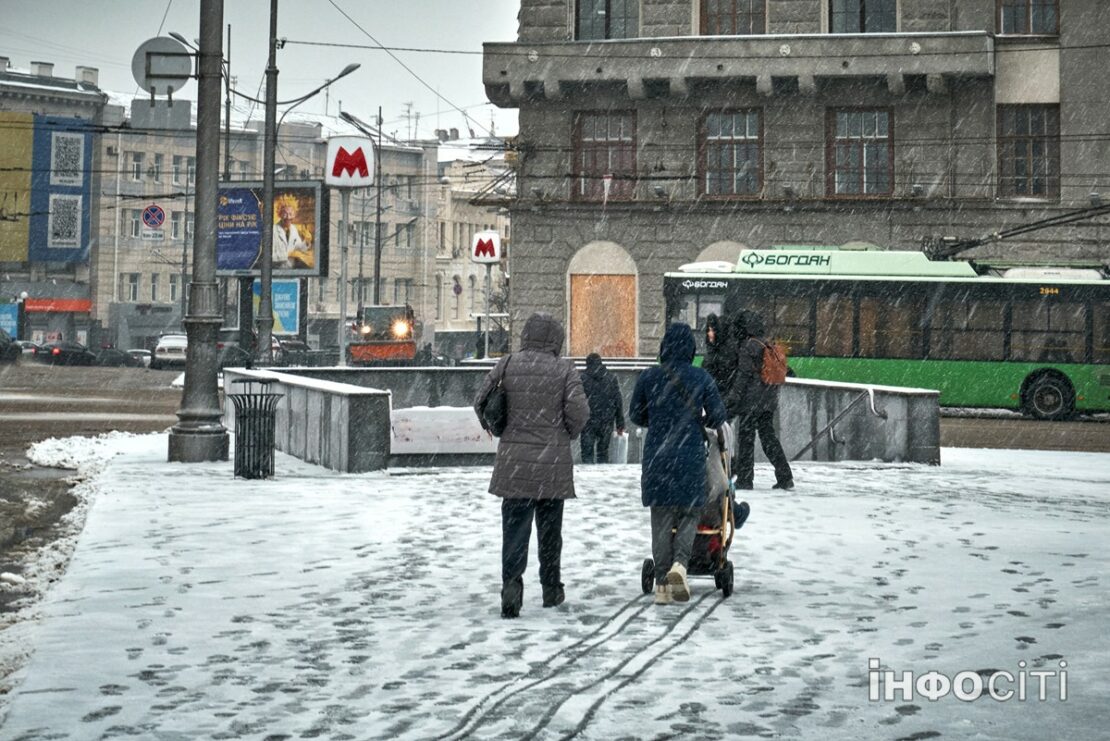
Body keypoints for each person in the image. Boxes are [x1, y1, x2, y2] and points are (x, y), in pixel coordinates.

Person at [473, 313, 590, 618]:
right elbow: (579, 412)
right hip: (552, 465)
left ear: (526, 335)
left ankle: (512, 587)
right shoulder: (565, 369)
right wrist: (565, 433)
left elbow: (480, 401)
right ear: (556, 339)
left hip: (515, 465)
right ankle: (551, 588)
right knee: (550, 533)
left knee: (514, 530)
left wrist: (501, 428)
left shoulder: (508, 363)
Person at [629, 323, 728, 605]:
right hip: (690, 456)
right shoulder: (701, 377)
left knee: (660, 518)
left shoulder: (649, 377)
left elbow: (636, 414)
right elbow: (718, 414)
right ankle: (680, 566)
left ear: (663, 347)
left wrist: (660, 420)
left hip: (657, 457)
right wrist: (700, 420)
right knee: (689, 513)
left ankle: (662, 585)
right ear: (691, 349)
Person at [725, 311, 794, 491]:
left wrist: (734, 395)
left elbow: (744, 374)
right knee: (768, 438)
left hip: (751, 402)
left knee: (746, 440)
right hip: (768, 400)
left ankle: (745, 480)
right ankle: (785, 476)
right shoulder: (767, 343)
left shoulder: (748, 346)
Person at [579, 353, 625, 463]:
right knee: (603, 453)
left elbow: (577, 402)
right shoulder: (611, 378)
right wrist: (620, 423)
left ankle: (587, 478)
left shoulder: (582, 379)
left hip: (587, 421)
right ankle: (603, 476)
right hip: (607, 421)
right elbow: (618, 401)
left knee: (587, 453)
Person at [702, 313, 735, 394]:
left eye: (711, 330)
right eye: (708, 330)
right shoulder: (719, 350)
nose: (709, 333)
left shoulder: (722, 354)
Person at [271, 197, 307, 268]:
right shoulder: (273, 230)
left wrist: (307, 241)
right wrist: (288, 254)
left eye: (290, 214)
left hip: (290, 272)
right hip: (276, 272)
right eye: (285, 214)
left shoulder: (293, 229)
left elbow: (298, 247)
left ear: (294, 215)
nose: (288, 217)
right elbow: (270, 257)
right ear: (279, 214)